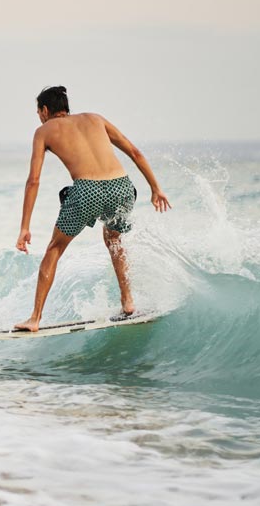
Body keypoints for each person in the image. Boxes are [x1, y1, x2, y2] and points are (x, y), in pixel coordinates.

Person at [14, 86, 171, 332]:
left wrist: (25, 227)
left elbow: (33, 180)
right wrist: (155, 188)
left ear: (45, 110)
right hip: (122, 187)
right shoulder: (96, 118)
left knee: (54, 248)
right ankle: (128, 302)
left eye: (38, 112)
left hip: (88, 190)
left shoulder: (43, 131)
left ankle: (34, 318)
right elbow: (134, 151)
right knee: (114, 238)